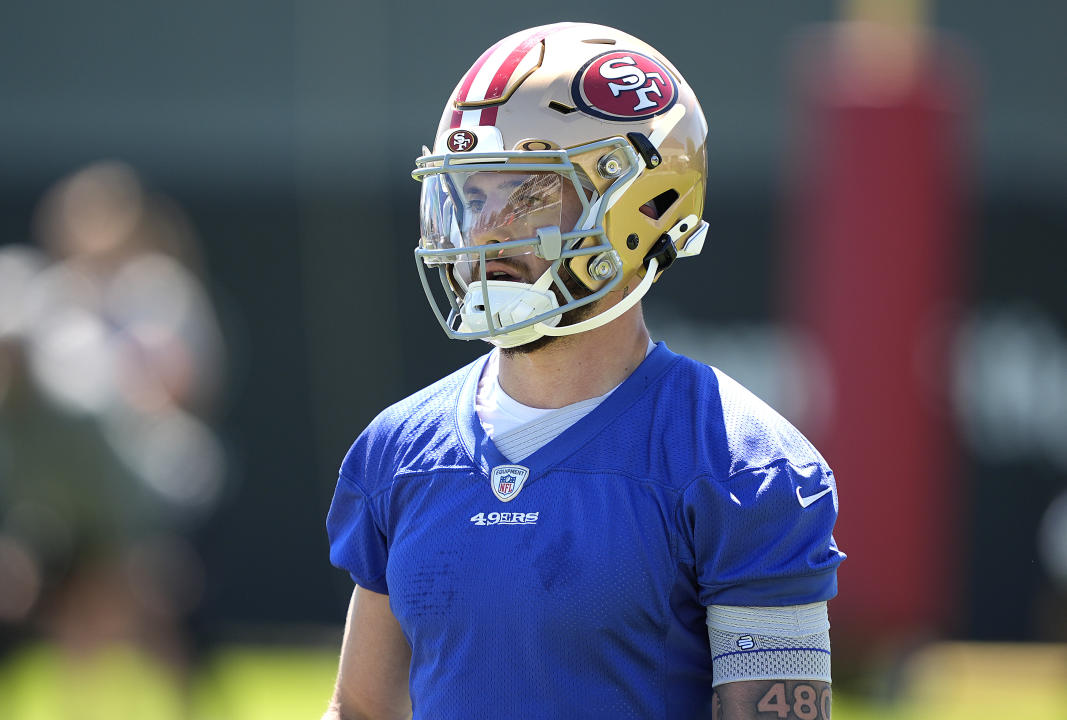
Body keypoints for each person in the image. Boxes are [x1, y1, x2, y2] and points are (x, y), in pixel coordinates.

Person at [324, 22, 844, 720]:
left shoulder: (742, 465)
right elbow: (360, 708)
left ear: (644, 205)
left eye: (528, 195)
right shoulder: (399, 449)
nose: (483, 232)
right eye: (472, 198)